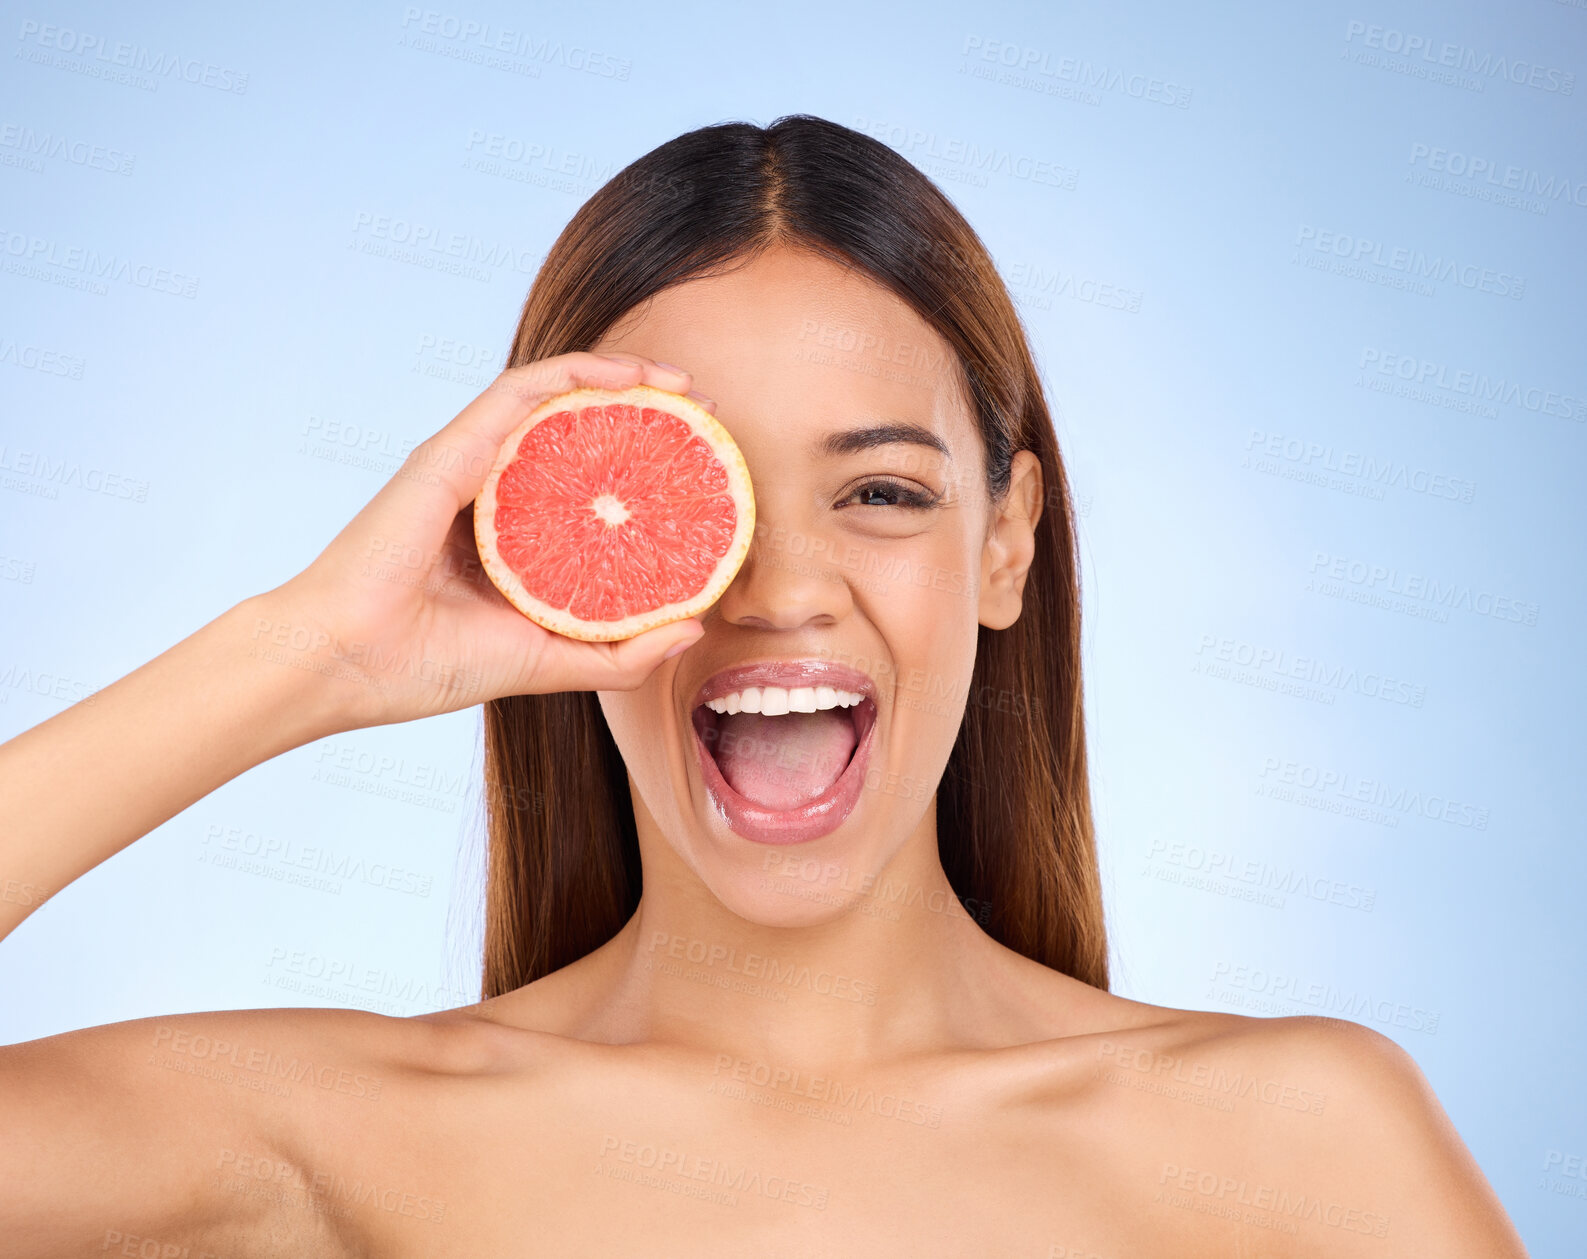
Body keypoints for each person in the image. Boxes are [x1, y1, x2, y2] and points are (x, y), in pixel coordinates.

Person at [0, 114, 1526, 1257]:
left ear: (1007, 548)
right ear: (553, 553)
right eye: (693, 500)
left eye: (880, 494)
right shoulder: (339, 1142)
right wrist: (311, 654)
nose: (780, 591)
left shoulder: (1297, 1140)